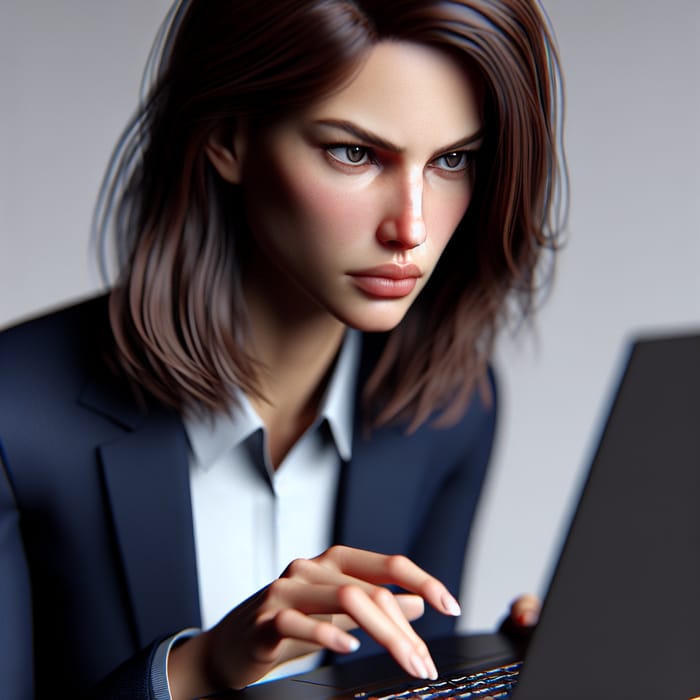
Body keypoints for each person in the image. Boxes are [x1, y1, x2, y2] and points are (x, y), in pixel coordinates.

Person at [0, 0, 565, 698]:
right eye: (354, 152)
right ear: (228, 138)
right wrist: (202, 670)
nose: (411, 228)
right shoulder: (14, 417)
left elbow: (410, 675)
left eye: (453, 160)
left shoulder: (453, 406)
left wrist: (524, 672)